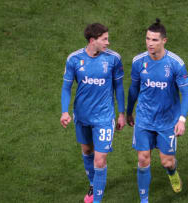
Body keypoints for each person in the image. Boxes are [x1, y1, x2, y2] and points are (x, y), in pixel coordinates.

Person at [126, 18, 188, 203]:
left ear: (164, 40)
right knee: (143, 159)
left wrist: (182, 119)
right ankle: (144, 200)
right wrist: (129, 111)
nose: (149, 43)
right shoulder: (139, 62)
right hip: (144, 118)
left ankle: (172, 172)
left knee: (166, 161)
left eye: (154, 40)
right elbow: (133, 89)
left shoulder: (175, 64)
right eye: (147, 38)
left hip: (167, 120)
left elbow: (186, 93)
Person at [60, 23, 125, 203]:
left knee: (99, 161)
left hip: (104, 118)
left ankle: (96, 200)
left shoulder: (113, 59)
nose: (108, 42)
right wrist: (64, 112)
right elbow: (66, 88)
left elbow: (119, 87)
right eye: (104, 39)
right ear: (92, 40)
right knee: (87, 151)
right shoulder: (74, 59)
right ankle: (93, 184)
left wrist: (122, 113)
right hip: (82, 116)